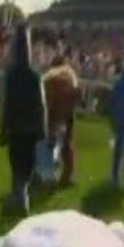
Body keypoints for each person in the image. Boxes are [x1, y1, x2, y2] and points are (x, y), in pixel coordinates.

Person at [0, 24, 47, 216]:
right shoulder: (35, 76)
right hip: (31, 128)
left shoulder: (10, 76)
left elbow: (6, 105)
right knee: (26, 163)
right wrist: (42, 128)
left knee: (17, 163)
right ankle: (20, 197)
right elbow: (41, 105)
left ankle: (20, 199)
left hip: (16, 127)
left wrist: (3, 129)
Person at [37, 56, 81, 187]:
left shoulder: (48, 78)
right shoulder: (69, 76)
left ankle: (46, 174)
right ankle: (64, 175)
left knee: (48, 141)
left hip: (52, 112)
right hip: (63, 111)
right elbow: (76, 94)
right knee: (63, 142)